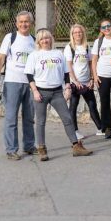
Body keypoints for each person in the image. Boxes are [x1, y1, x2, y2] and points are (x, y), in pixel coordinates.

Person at [25, 29, 92, 160]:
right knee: (40, 121)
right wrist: (35, 91)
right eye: (42, 39)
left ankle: (76, 147)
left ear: (51, 39)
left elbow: (66, 73)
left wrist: (67, 87)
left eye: (47, 38)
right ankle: (42, 149)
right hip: (41, 92)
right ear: (39, 41)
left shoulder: (58, 54)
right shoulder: (34, 55)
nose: (45, 41)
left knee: (67, 118)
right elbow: (29, 75)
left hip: (57, 92)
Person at [0, 11, 36, 160]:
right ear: (17, 24)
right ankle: (11, 149)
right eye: (21, 22)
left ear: (31, 23)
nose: (24, 24)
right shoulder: (10, 38)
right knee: (11, 117)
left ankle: (29, 146)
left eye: (27, 21)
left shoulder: (34, 40)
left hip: (30, 84)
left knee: (29, 117)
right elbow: (0, 59)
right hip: (12, 82)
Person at [65, 24, 101, 140]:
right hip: (75, 83)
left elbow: (91, 64)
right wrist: (75, 81)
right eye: (75, 32)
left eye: (79, 32)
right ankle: (74, 131)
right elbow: (69, 66)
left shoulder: (86, 47)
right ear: (72, 34)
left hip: (86, 82)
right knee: (73, 107)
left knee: (92, 105)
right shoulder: (69, 47)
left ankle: (100, 128)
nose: (78, 34)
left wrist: (91, 78)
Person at [91, 19, 111, 139]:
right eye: (103, 27)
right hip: (102, 74)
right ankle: (107, 128)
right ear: (101, 30)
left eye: (108, 26)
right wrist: (95, 76)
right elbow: (94, 60)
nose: (106, 28)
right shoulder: (98, 41)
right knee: (104, 101)